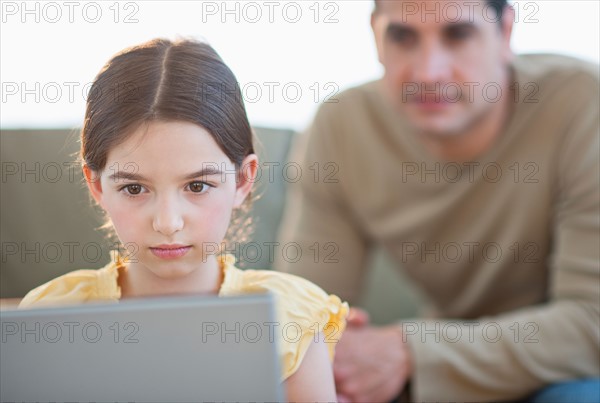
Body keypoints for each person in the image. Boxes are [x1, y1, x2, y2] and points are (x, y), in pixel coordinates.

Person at [275, 0, 599, 402]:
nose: (429, 72)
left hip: (564, 374)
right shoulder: (342, 125)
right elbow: (303, 316)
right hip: (444, 370)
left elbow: (593, 322)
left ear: (506, 34)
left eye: (458, 35)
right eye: (402, 37)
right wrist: (328, 367)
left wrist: (409, 352)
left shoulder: (584, 103)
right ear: (375, 37)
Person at [18, 38, 348, 401]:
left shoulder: (291, 318)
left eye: (197, 185)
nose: (168, 222)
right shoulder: (51, 315)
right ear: (96, 186)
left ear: (242, 180)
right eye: (133, 189)